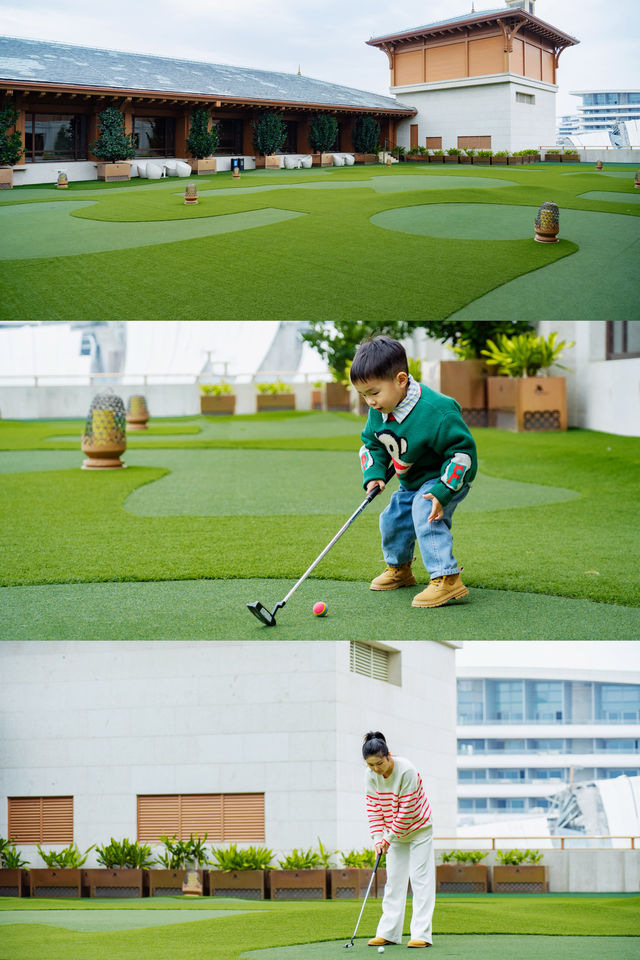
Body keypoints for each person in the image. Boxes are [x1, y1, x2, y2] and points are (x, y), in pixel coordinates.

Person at [350, 335, 477, 608]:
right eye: (363, 395)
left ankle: (447, 578)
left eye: (374, 392)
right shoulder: (380, 409)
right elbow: (372, 443)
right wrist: (374, 475)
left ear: (401, 380)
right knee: (392, 518)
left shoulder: (438, 410)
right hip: (411, 481)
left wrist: (443, 491)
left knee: (424, 511)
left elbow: (462, 454)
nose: (369, 402)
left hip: (444, 477)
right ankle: (400, 570)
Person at [363, 731, 435, 949]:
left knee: (421, 880)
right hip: (392, 834)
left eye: (379, 763)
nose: (376, 769)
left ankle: (421, 934)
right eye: (370, 765)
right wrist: (378, 838)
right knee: (394, 881)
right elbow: (373, 808)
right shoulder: (370, 776)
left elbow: (406, 811)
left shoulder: (407, 771)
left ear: (388, 756)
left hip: (419, 827)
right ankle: (388, 933)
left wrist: (388, 838)